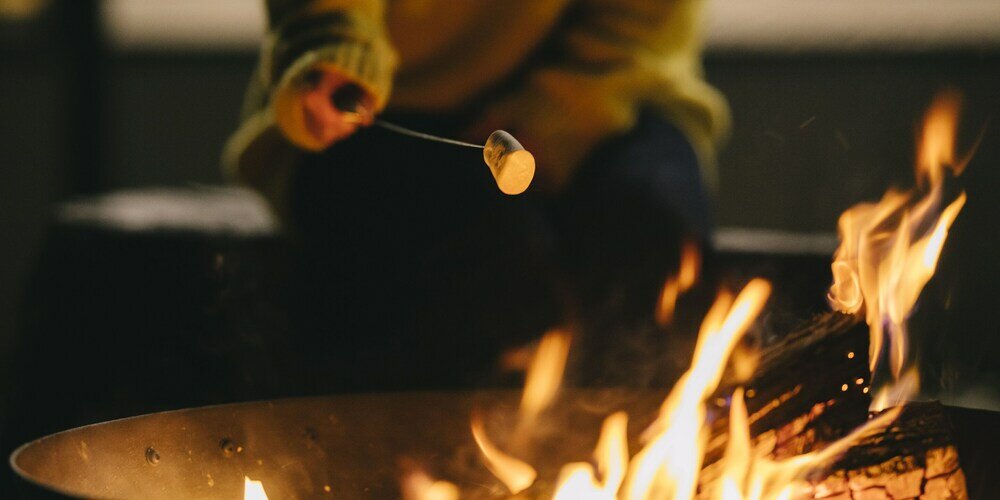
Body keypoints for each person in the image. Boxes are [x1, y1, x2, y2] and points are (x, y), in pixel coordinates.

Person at [224, 0, 730, 389]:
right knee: (481, 267)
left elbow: (644, 27)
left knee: (648, 234)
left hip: (615, 85)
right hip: (388, 102)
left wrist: (553, 116)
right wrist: (333, 46)